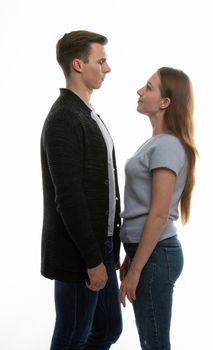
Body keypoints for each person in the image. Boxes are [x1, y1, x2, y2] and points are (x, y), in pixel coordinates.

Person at [40, 30, 122, 350]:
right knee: (72, 336)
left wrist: (110, 245)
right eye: (101, 61)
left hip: (99, 248)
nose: (107, 68)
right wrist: (91, 259)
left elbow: (104, 185)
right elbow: (69, 198)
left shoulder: (88, 114)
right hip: (78, 254)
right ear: (78, 64)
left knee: (108, 329)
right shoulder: (63, 118)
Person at [119, 67, 198, 350]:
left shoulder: (166, 146)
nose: (140, 91)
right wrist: (132, 257)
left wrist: (136, 268)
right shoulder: (157, 143)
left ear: (165, 102)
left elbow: (159, 213)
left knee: (154, 344)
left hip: (156, 257)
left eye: (148, 87)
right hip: (150, 253)